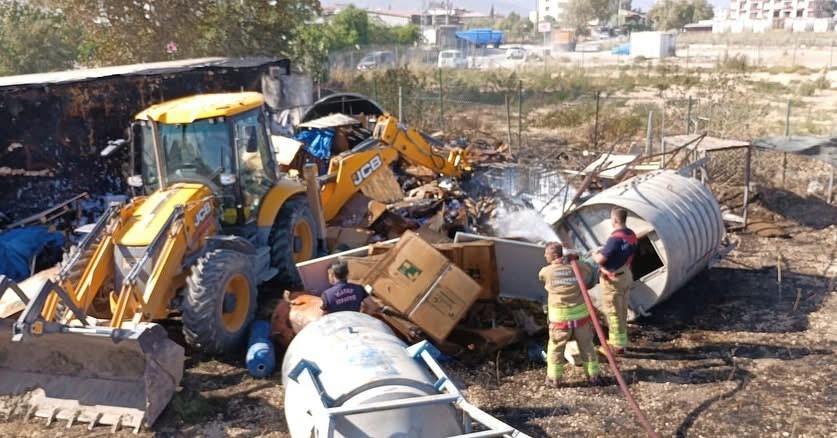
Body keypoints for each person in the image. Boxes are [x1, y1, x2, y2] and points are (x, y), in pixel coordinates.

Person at [538, 242, 601, 387]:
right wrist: (575, 259)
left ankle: (554, 379)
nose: (544, 256)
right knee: (587, 346)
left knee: (556, 348)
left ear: (553, 255)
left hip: (560, 320)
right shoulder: (577, 267)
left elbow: (541, 277)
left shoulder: (546, 271)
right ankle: (593, 376)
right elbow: (589, 268)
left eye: (546, 253)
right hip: (580, 318)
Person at [592, 207, 638, 354]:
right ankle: (622, 342)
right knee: (622, 310)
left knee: (612, 312)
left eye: (611, 218)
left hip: (613, 280)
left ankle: (616, 346)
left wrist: (595, 254)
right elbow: (628, 255)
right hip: (625, 275)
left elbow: (600, 259)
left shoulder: (615, 239)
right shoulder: (631, 234)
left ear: (615, 220)